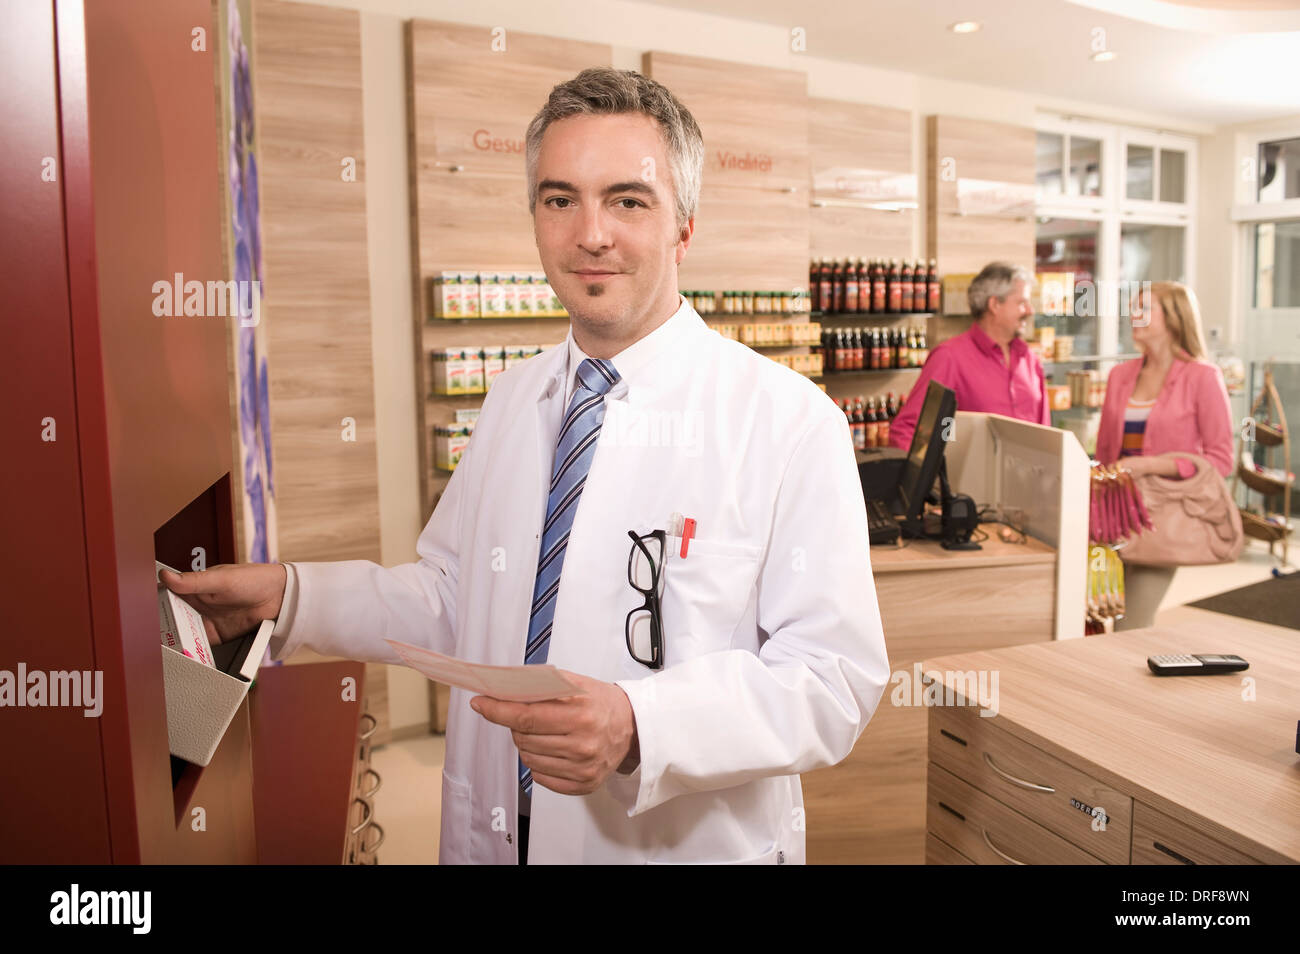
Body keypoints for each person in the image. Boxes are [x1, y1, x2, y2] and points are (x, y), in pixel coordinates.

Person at [161, 67, 890, 864]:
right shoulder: (513, 400)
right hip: (497, 833)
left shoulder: (785, 422)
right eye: (559, 199)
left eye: (628, 200)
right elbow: (451, 598)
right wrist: (290, 595)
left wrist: (642, 724)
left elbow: (831, 678)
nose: (591, 234)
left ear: (685, 226)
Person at [1095, 281, 1234, 631]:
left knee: (1131, 627)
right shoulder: (1119, 375)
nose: (1134, 315)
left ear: (1173, 318)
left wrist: (1153, 465)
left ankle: (1123, 685)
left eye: (1145, 308)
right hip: (1111, 516)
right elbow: (1104, 452)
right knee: (1095, 624)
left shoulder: (1203, 377)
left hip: (1161, 518)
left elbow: (1220, 459)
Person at [889, 262, 1050, 450]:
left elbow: (1046, 433)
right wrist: (937, 476)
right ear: (995, 304)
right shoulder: (949, 357)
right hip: (972, 478)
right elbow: (906, 430)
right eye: (1022, 303)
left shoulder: (1030, 359)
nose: (1030, 311)